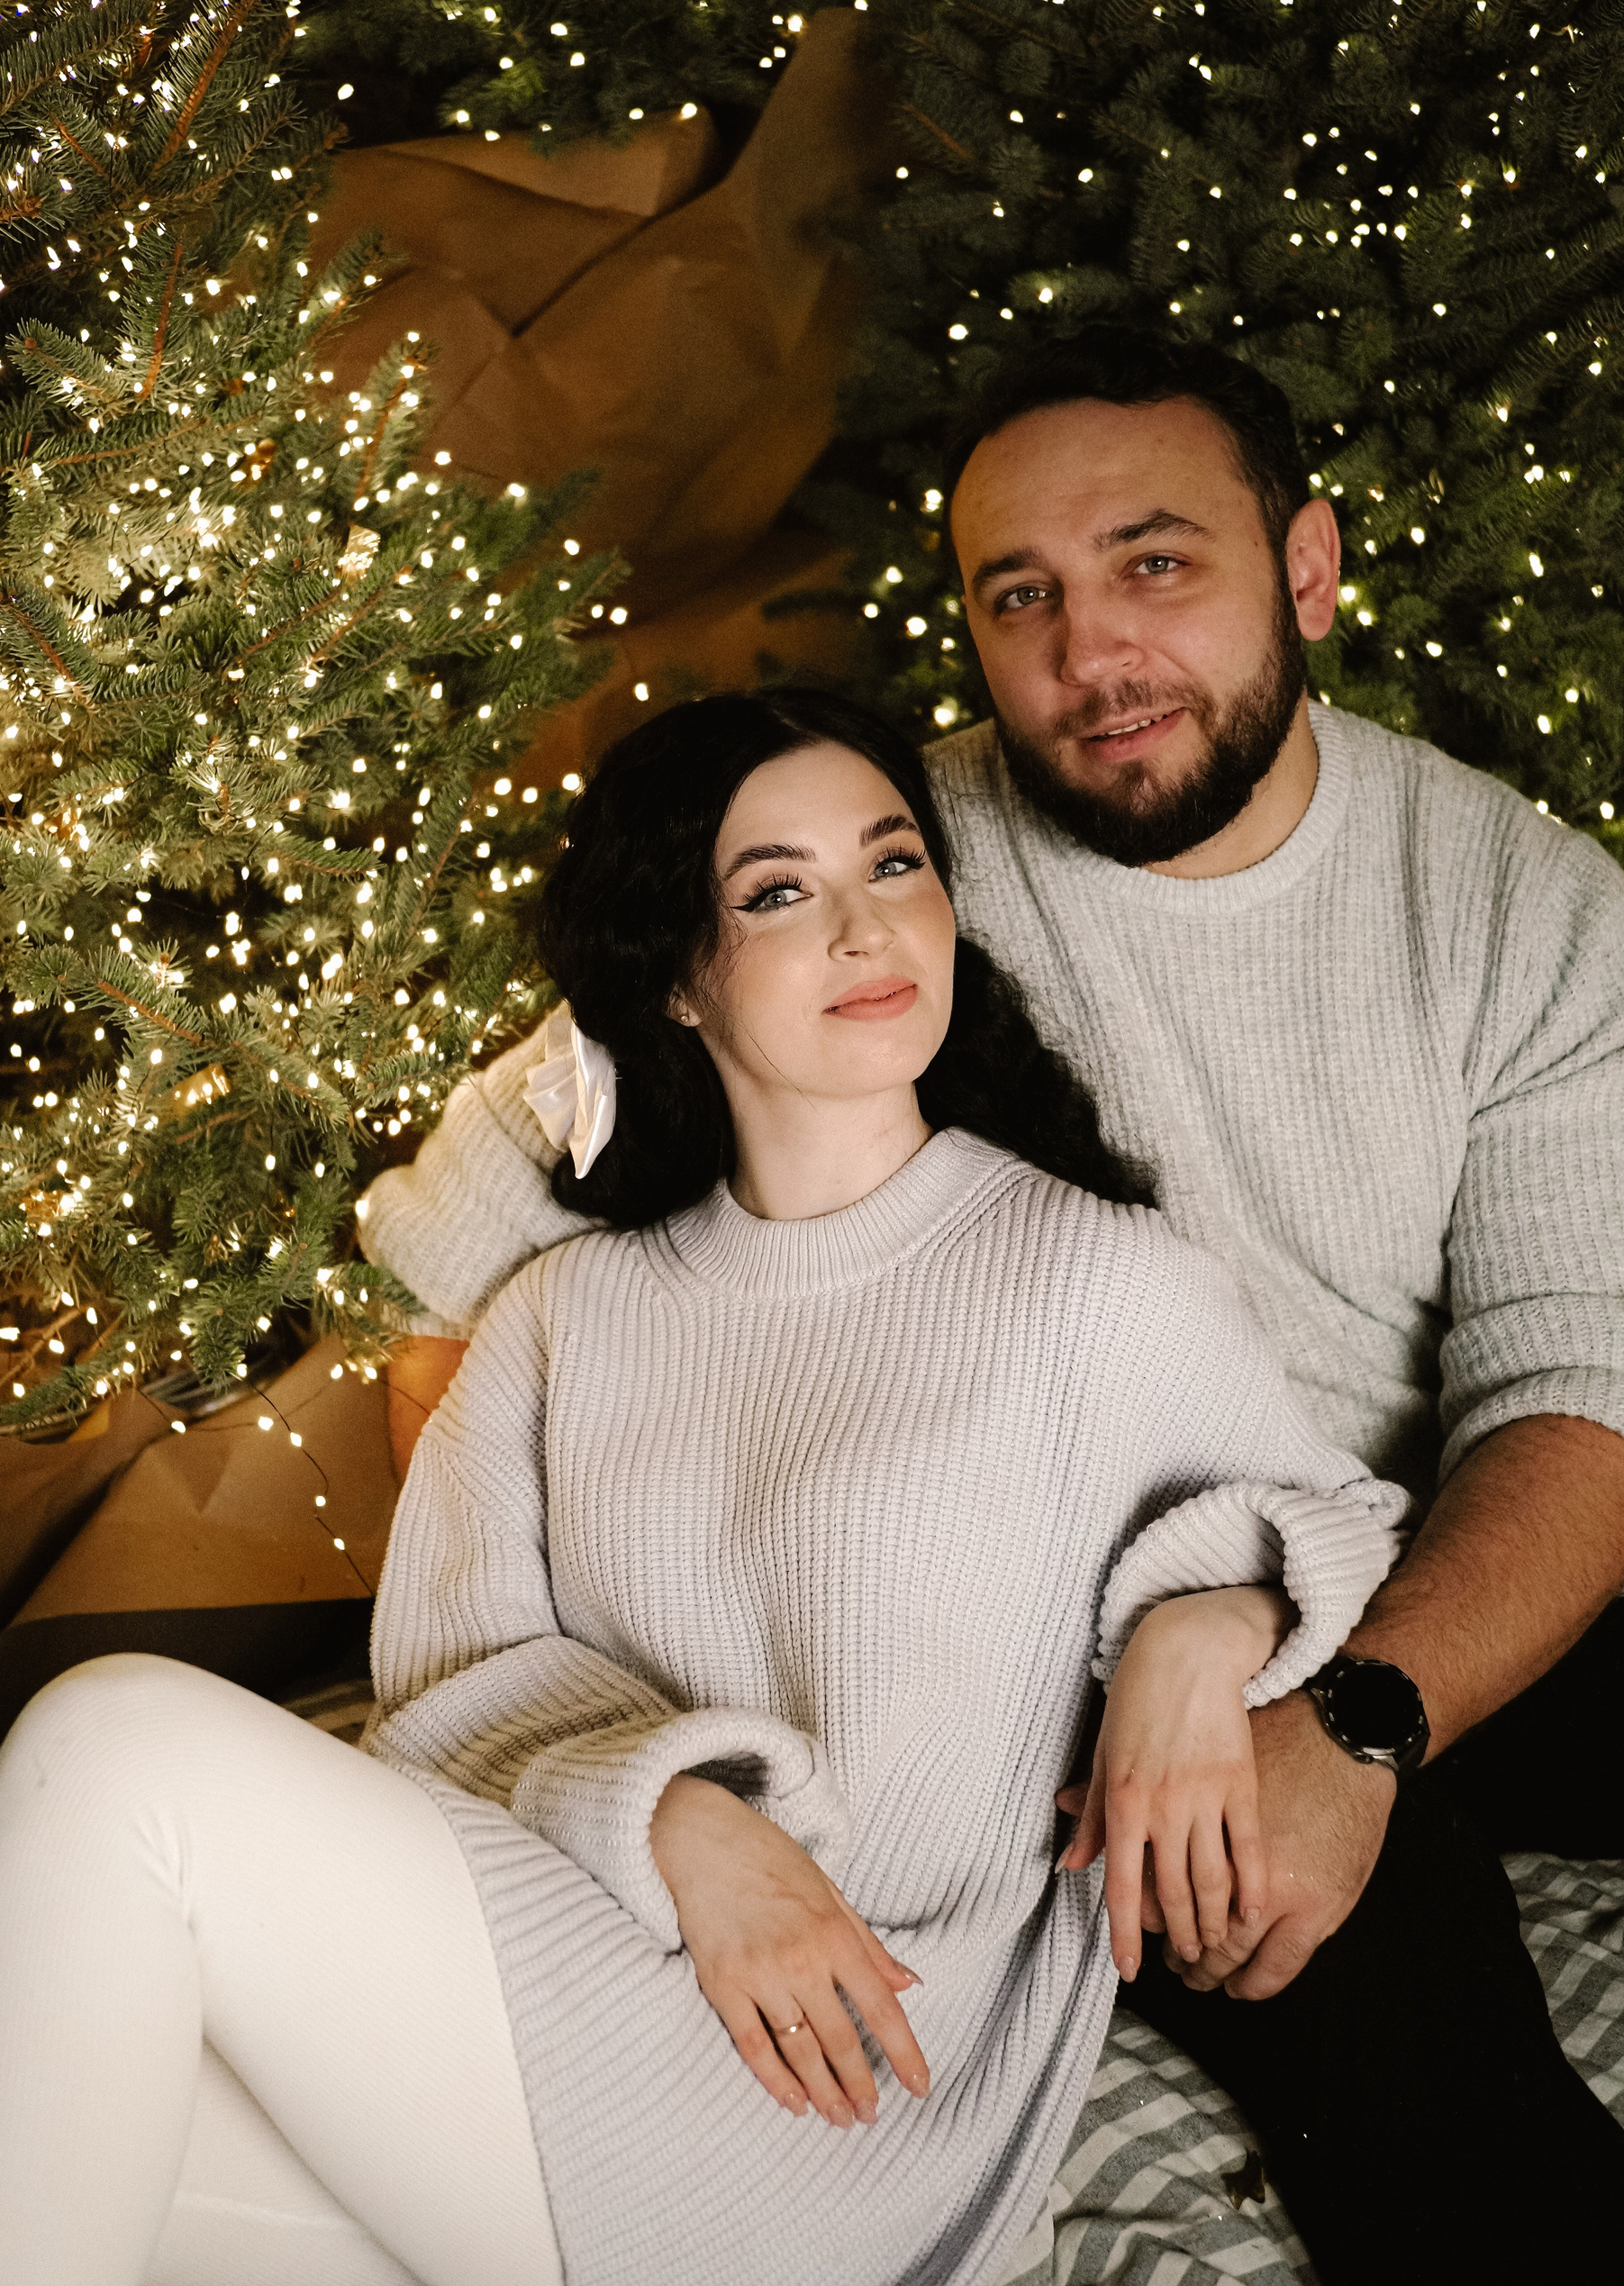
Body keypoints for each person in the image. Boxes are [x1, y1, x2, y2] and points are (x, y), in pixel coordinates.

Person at [365, 331, 1624, 2279]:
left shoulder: (1521, 908)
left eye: (1155, 564)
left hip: (1367, 1583)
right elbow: (460, 1270)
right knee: (1416, 2054)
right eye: (1017, 595)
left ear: (1306, 569)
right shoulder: (873, 865)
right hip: (1009, 1668)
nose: (1089, 654)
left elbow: (1578, 1399)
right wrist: (629, 1707)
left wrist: (1343, 1712)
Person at [0, 691, 1410, 2286]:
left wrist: (1200, 1628)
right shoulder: (567, 1314)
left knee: (112, 1747)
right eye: (778, 891)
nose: (864, 926)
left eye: (894, 863)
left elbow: (1338, 1525)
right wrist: (675, 1815)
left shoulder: (1096, 1279)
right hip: (575, 1957)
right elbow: (449, 1692)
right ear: (678, 977)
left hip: (823, 2092)